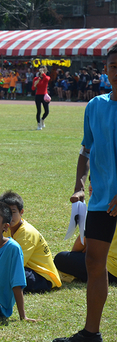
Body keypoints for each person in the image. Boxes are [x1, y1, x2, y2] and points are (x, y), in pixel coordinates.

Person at [53, 46, 117, 342]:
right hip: (101, 200)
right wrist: (79, 185)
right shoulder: (95, 106)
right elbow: (85, 151)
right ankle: (92, 333)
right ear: (106, 70)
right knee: (93, 262)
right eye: (114, 65)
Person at [0, 190, 62, 292]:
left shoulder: (27, 234)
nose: (9, 216)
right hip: (26, 269)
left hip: (43, 278)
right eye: (5, 212)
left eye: (13, 212)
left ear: (21, 212)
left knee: (4, 274)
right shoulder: (6, 227)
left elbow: (15, 265)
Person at [32, 66, 50, 130]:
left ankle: (42, 119)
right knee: (38, 111)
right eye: (43, 70)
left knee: (47, 111)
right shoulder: (36, 78)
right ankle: (39, 124)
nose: (44, 71)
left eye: (45, 70)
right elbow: (33, 88)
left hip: (45, 96)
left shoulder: (46, 77)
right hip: (38, 96)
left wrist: (42, 73)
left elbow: (46, 79)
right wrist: (36, 82)